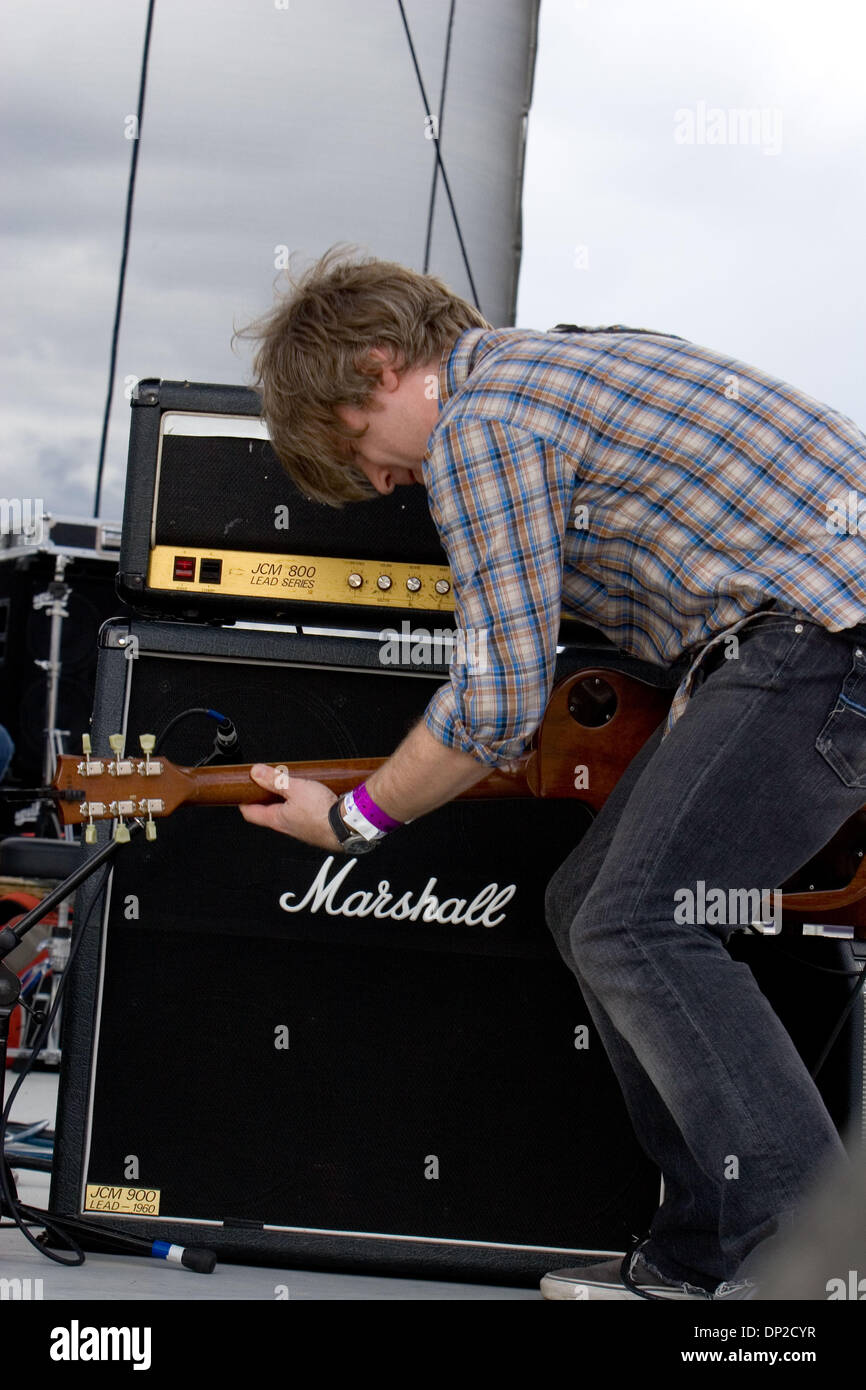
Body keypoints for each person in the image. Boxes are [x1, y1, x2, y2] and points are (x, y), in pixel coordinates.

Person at [234, 247, 866, 1300]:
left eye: (356, 447)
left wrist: (350, 821)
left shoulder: (482, 423)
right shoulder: (555, 365)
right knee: (591, 906)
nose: (379, 482)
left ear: (383, 366)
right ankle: (702, 1251)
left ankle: (810, 1269)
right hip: (799, 637)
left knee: (636, 920)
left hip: (822, 639)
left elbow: (495, 704)